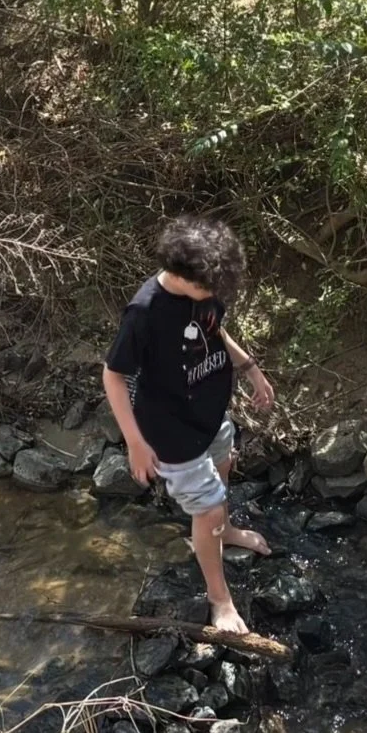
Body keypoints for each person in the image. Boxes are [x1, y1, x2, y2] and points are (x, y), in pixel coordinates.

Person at [101, 215, 276, 634]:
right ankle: (220, 599)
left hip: (208, 409)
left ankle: (225, 531)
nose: (215, 294)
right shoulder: (144, 313)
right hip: (168, 427)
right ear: (180, 275)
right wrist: (135, 443)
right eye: (209, 288)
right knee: (208, 506)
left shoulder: (205, 289)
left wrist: (250, 368)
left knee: (224, 462)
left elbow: (216, 331)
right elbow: (113, 375)